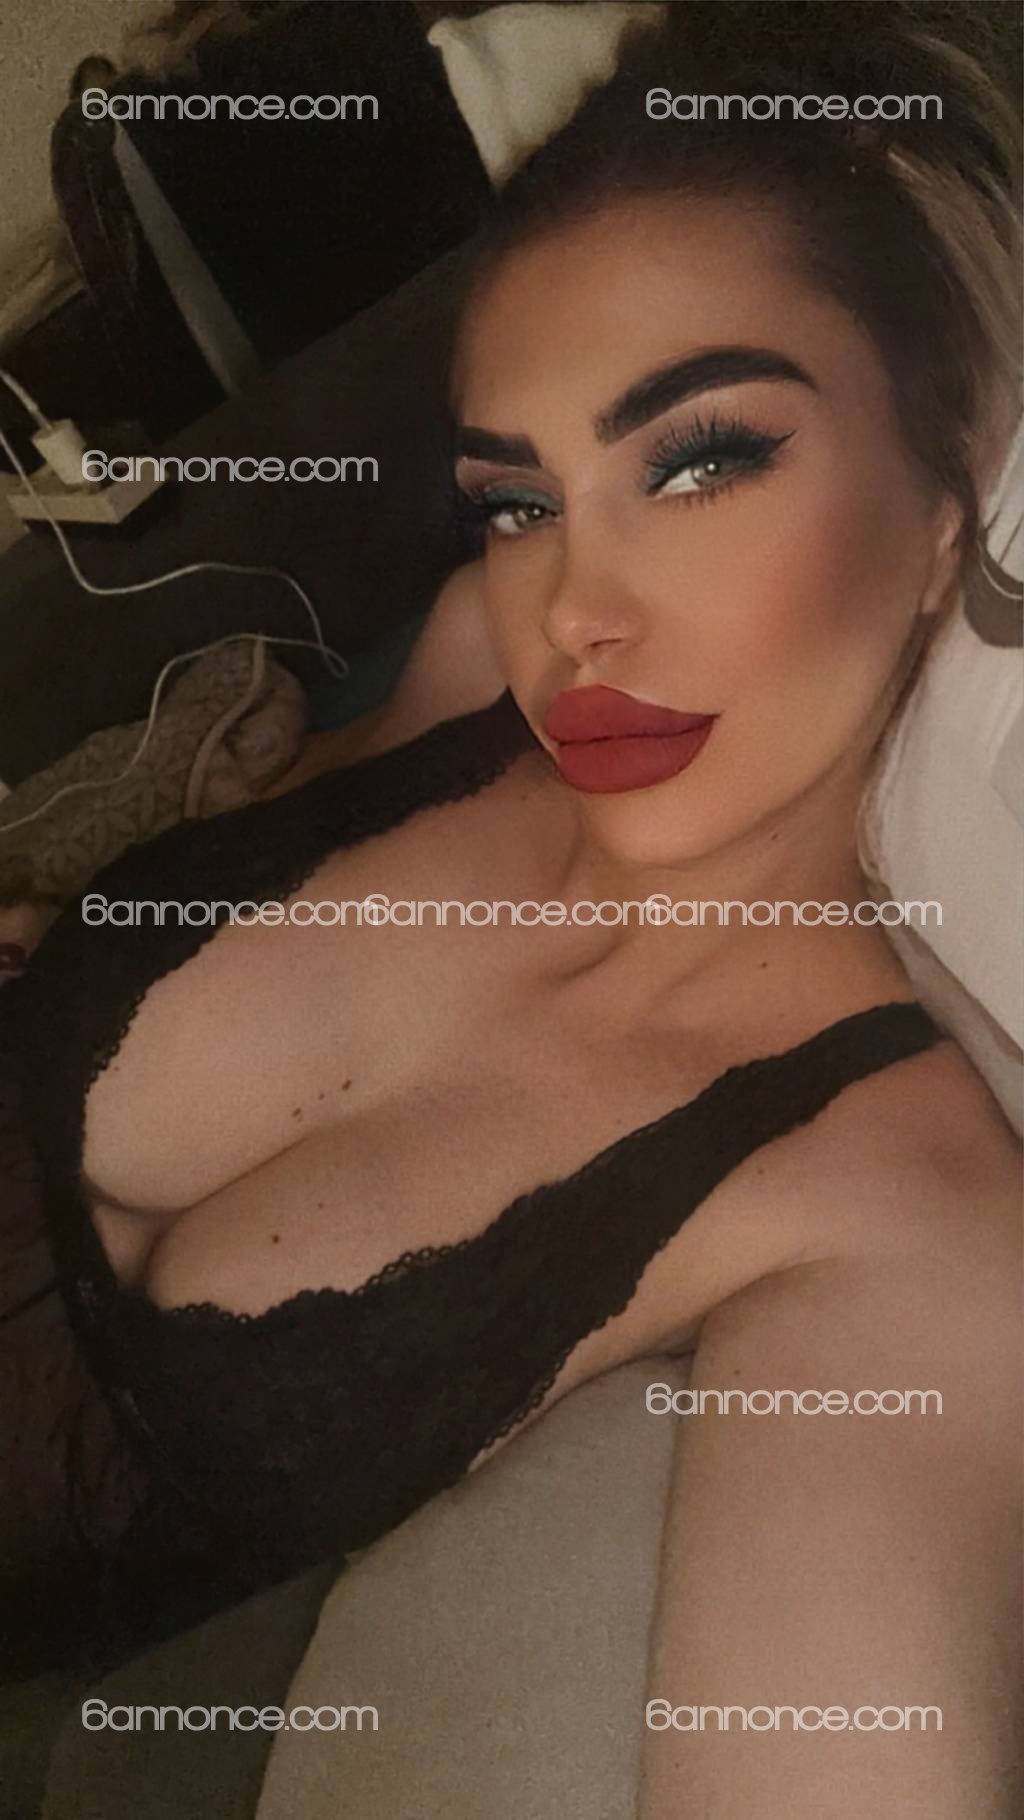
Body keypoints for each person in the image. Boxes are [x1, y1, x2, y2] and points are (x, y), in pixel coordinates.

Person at [3, 5, 1021, 1811]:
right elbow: (291, 816)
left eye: (699, 460)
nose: (576, 612)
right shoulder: (492, 652)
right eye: (519, 496)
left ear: (951, 500)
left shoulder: (905, 1212)